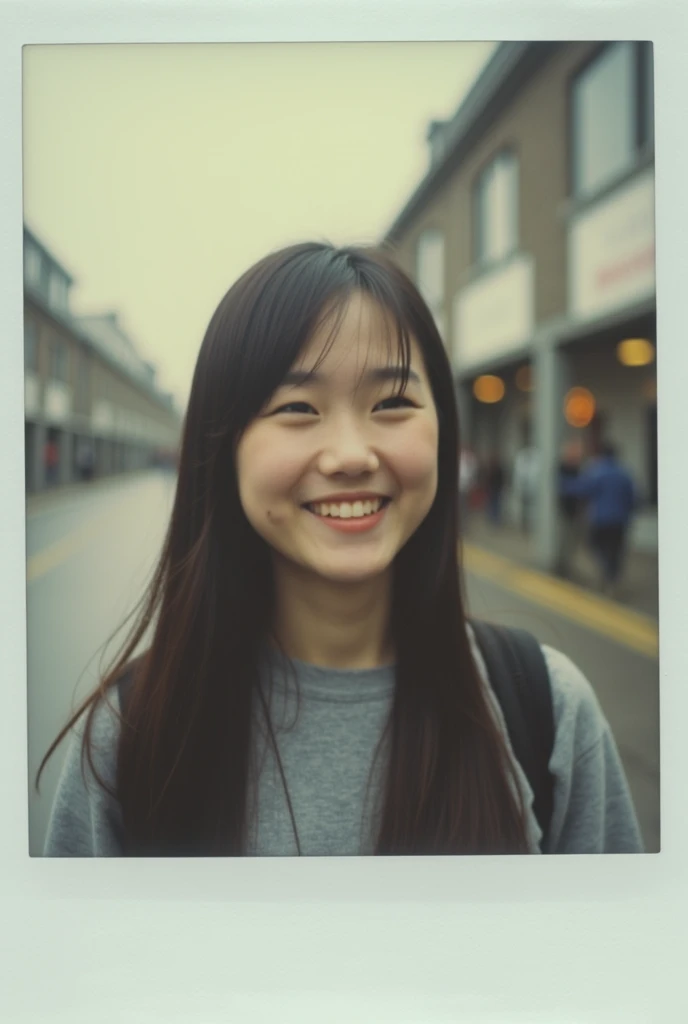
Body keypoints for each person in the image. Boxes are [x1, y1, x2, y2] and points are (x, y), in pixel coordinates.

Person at [37, 242, 642, 856]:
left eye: (393, 403)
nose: (351, 454)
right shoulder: (130, 737)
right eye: (298, 407)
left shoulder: (548, 713)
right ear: (224, 449)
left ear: (442, 432)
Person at [560, 441, 637, 598]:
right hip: (621, 521)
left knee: (595, 545)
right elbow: (634, 498)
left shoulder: (598, 472)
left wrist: (564, 483)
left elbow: (582, 489)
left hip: (602, 520)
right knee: (616, 550)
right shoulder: (625, 474)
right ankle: (613, 580)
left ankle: (608, 575)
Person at [556, 438, 585, 579]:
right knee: (566, 539)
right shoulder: (565, 470)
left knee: (573, 540)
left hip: (575, 511)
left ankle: (568, 565)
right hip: (568, 510)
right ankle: (563, 566)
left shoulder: (577, 470)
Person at [512, 442, 540, 534]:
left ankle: (532, 527)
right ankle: (525, 526)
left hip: (534, 490)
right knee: (525, 509)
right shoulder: (522, 458)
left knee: (533, 510)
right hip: (525, 489)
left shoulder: (536, 458)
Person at [484, 452, 505, 526]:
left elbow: (501, 480)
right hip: (493, 489)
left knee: (495, 504)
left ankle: (495, 520)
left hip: (496, 489)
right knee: (492, 504)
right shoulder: (492, 469)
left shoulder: (497, 469)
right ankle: (493, 519)